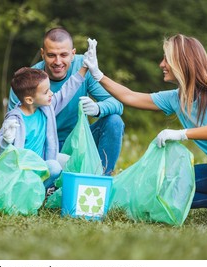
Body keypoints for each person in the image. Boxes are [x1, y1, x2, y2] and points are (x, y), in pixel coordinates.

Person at [83, 35, 207, 226]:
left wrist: (181, 134)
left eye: (167, 59)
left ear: (184, 62)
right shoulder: (176, 98)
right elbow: (130, 96)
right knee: (166, 187)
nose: (162, 64)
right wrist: (98, 75)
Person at [8, 27, 125, 175]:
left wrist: (98, 108)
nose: (58, 62)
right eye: (51, 55)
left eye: (64, 55)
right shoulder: (28, 83)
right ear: (42, 54)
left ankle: (100, 181)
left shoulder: (85, 66)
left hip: (79, 142)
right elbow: (15, 128)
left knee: (114, 121)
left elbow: (117, 104)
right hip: (43, 149)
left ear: (73, 54)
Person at [0, 63, 87, 206]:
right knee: (54, 166)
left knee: (70, 162)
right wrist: (5, 140)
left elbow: (66, 92)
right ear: (29, 99)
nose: (51, 94)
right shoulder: (14, 120)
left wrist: (84, 69)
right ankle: (21, 194)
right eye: (46, 92)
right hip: (21, 172)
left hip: (40, 165)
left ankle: (42, 191)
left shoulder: (46, 108)